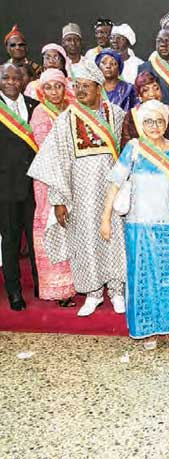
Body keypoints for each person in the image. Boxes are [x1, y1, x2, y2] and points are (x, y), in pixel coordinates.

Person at [26, 59, 127, 317]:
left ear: (98, 86)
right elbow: (55, 161)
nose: (80, 91)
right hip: (79, 194)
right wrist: (59, 200)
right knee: (85, 242)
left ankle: (116, 291)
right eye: (76, 86)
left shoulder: (116, 114)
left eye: (85, 86)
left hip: (110, 191)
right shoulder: (66, 119)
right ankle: (92, 294)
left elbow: (128, 153)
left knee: (114, 239)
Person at [100, 100, 169, 350]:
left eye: (159, 121)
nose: (155, 126)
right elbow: (115, 182)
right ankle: (147, 331)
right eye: (148, 121)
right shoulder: (134, 148)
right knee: (143, 279)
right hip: (138, 225)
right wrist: (105, 218)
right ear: (140, 124)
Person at [28, 68, 76, 308]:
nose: (54, 91)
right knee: (53, 227)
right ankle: (58, 289)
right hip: (48, 179)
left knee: (71, 228)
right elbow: (46, 146)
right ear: (41, 90)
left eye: (58, 86)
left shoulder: (71, 108)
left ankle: (75, 284)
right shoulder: (39, 112)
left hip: (72, 177)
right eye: (48, 87)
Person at [0, 64, 39, 311]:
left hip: (35, 186)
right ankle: (14, 291)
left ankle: (41, 285)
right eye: (6, 77)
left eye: (16, 77)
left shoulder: (34, 106)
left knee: (37, 240)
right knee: (11, 239)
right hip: (5, 186)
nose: (12, 81)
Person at [120, 71, 169, 150]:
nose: (152, 94)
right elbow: (126, 148)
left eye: (156, 88)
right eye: (146, 90)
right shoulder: (131, 116)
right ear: (139, 96)